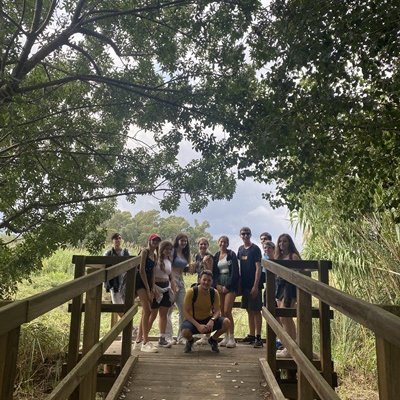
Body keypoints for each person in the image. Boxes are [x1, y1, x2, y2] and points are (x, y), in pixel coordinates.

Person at [180, 270, 230, 353]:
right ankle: (190, 341)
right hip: (193, 320)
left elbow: (217, 311)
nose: (206, 282)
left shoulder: (214, 292)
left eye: (209, 280)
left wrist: (212, 320)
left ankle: (213, 340)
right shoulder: (191, 292)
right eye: (204, 280)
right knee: (185, 331)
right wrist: (198, 326)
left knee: (226, 322)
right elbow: (185, 312)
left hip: (208, 320)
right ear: (199, 280)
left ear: (212, 281)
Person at [134, 233, 162, 353]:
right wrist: (147, 288)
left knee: (145, 312)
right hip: (140, 282)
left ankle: (138, 341)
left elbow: (153, 273)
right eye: (153, 240)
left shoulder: (154, 255)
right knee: (147, 310)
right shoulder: (144, 251)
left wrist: (153, 287)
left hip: (148, 283)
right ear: (149, 241)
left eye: (157, 241)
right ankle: (145, 342)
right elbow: (141, 271)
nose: (155, 242)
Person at [274, 233, 301, 358]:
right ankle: (289, 346)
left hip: (290, 288)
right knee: (282, 317)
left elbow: (300, 273)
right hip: (280, 287)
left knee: (286, 316)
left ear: (289, 243)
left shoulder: (293, 256)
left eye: (284, 241)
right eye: (280, 242)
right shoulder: (278, 256)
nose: (282, 244)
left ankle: (291, 347)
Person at [237, 227, 263, 348]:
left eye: (247, 234)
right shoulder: (240, 249)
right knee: (248, 309)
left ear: (251, 235)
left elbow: (258, 268)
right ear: (240, 235)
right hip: (245, 285)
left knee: (256, 310)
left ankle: (258, 337)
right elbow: (239, 266)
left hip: (254, 284)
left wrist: (256, 285)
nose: (245, 236)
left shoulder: (255, 249)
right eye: (243, 234)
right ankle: (251, 335)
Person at [212, 236, 239, 348]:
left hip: (230, 285)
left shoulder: (231, 254)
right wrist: (217, 284)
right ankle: (225, 336)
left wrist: (228, 286)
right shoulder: (216, 255)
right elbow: (214, 272)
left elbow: (235, 272)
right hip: (220, 283)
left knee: (227, 311)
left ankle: (232, 337)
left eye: (225, 242)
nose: (223, 244)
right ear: (218, 243)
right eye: (221, 242)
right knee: (222, 312)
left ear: (228, 244)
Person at [149, 240, 176, 348]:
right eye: (166, 249)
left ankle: (162, 338)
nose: (168, 251)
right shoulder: (155, 259)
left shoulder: (169, 261)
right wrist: (152, 289)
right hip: (156, 288)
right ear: (162, 249)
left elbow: (171, 276)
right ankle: (143, 338)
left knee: (163, 314)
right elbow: (151, 274)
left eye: (170, 249)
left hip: (166, 288)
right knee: (152, 314)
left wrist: (173, 290)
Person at [166, 233, 191, 344]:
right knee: (169, 309)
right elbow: (169, 267)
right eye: (182, 240)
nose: (184, 243)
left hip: (181, 281)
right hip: (172, 280)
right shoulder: (173, 251)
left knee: (183, 309)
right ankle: (168, 336)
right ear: (177, 241)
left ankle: (181, 336)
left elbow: (185, 268)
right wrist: (172, 282)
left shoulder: (185, 253)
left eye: (185, 241)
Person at [104, 233, 130, 311]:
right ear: (112, 241)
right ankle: (125, 319)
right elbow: (104, 267)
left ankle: (125, 318)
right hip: (113, 282)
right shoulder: (108, 253)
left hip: (125, 282)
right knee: (116, 305)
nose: (118, 240)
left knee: (126, 305)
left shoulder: (125, 252)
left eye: (119, 238)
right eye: (116, 238)